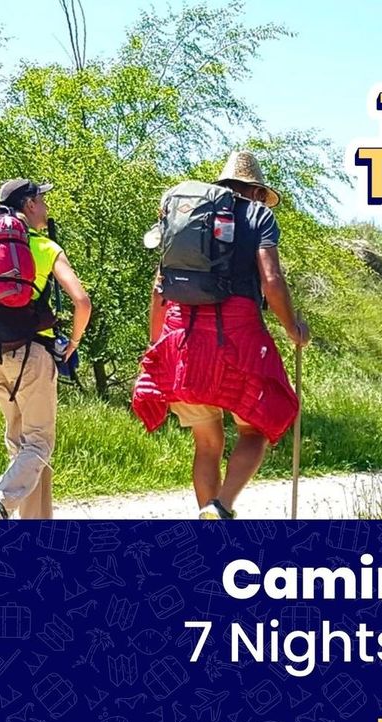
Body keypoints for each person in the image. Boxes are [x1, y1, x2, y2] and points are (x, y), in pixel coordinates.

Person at [132, 151, 310, 519]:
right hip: (237, 338)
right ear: (257, 192)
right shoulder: (259, 216)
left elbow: (159, 288)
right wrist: (294, 329)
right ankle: (221, 505)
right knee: (255, 428)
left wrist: (156, 348)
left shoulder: (190, 217)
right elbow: (272, 281)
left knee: (207, 442)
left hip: (183, 336)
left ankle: (208, 523)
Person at [0, 179, 92, 519]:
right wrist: (74, 341)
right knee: (39, 444)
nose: (46, 206)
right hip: (32, 354)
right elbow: (81, 302)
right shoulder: (44, 247)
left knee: (21, 447)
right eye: (42, 199)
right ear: (28, 205)